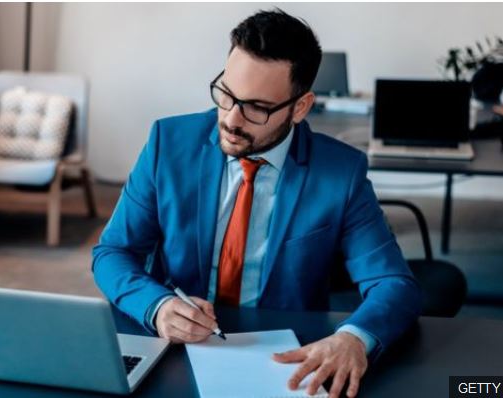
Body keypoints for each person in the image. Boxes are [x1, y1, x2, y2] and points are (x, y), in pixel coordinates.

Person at [92, 9, 421, 398]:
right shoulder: (168, 142)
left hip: (284, 360)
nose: (231, 119)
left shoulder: (341, 173)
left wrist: (353, 338)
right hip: (177, 349)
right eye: (226, 93)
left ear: (300, 107)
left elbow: (393, 284)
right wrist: (158, 306)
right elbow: (113, 252)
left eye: (257, 107)